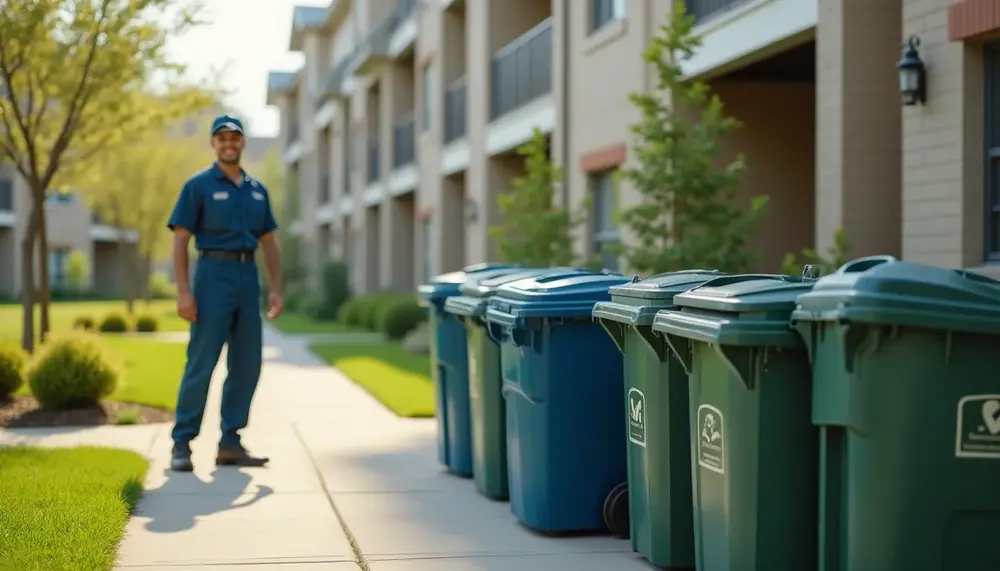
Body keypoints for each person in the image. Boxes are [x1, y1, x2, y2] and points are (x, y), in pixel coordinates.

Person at [166, 114, 284, 472]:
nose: (229, 143)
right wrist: (184, 292)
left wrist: (276, 288)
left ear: (243, 142)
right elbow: (180, 240)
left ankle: (230, 443)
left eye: (235, 137)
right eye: (222, 138)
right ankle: (182, 443)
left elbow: (269, 242)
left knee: (247, 365)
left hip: (247, 278)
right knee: (202, 362)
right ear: (213, 144)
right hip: (212, 276)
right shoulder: (198, 186)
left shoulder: (257, 190)